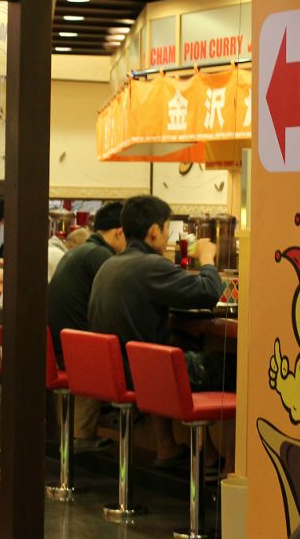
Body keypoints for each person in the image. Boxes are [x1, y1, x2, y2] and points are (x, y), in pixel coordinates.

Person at [88, 195, 235, 472]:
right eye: (167, 229)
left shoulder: (110, 264)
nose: (168, 237)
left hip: (117, 371)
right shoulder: (150, 266)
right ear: (154, 231)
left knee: (175, 347)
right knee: (230, 366)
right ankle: (231, 470)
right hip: (143, 374)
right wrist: (206, 259)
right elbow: (209, 292)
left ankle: (190, 450)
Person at [48, 200, 126, 452]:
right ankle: (82, 441)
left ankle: (80, 438)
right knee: (117, 355)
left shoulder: (78, 251)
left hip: (57, 348)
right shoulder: (101, 256)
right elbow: (116, 304)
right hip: (75, 355)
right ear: (119, 232)